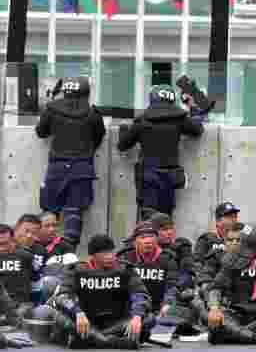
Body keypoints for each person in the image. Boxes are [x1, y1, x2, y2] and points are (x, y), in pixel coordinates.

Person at [34, 76, 106, 248]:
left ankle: (44, 252)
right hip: (82, 167)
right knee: (75, 210)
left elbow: (41, 132)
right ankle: (68, 252)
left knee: (50, 210)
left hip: (57, 167)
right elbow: (99, 136)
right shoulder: (92, 113)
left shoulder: (51, 109)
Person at [116, 85, 205, 219]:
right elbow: (197, 130)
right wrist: (194, 110)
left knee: (148, 218)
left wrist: (123, 128)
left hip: (148, 176)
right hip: (170, 176)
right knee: (165, 220)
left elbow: (123, 145)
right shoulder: (179, 118)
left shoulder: (142, 121)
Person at [53, 234, 152, 349]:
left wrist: (137, 315)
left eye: (111, 252)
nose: (110, 257)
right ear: (93, 256)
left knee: (149, 318)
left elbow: (140, 295)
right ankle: (113, 342)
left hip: (117, 322)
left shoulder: (125, 270)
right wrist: (77, 312)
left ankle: (95, 340)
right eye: (105, 253)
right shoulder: (76, 270)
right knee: (57, 316)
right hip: (86, 322)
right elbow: (62, 297)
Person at [118, 223, 180, 344]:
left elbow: (172, 286)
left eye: (151, 237)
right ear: (135, 241)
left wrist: (168, 303)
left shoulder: (167, 259)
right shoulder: (125, 258)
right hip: (132, 308)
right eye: (143, 237)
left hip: (158, 308)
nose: (148, 241)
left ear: (157, 239)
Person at [192, 222, 245, 331]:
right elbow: (205, 279)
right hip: (217, 299)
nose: (234, 243)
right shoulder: (215, 256)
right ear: (225, 242)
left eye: (238, 240)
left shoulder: (253, 260)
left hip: (242, 304)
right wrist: (213, 304)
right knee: (198, 298)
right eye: (230, 240)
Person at [0, 224, 34, 325]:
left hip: (20, 305)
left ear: (13, 241)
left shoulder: (25, 256)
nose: (1, 248)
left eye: (4, 244)